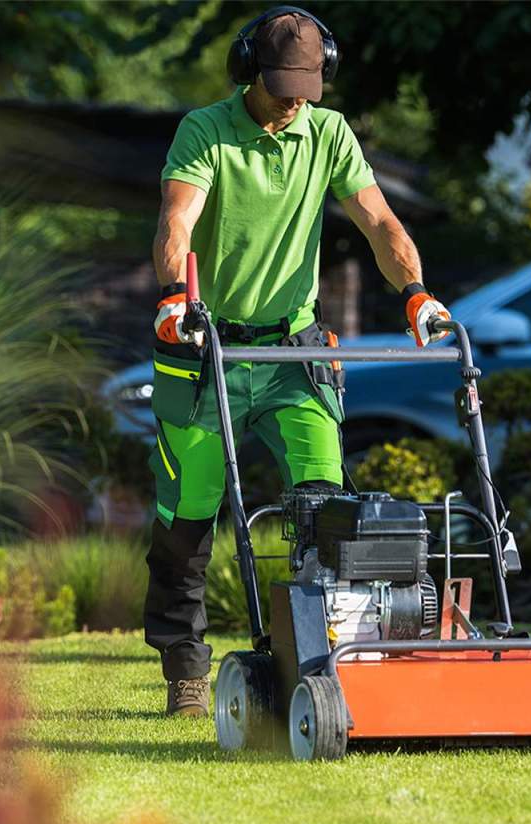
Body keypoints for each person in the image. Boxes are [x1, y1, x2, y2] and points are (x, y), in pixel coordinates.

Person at [145, 5, 451, 717]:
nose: (291, 103)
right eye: (280, 86)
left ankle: (321, 657)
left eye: (304, 89)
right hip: (204, 343)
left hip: (293, 348)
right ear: (248, 69)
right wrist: (170, 295)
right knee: (187, 514)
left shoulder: (329, 132)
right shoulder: (206, 130)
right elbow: (177, 217)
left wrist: (415, 292)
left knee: (326, 506)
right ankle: (186, 670)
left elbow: (379, 220)